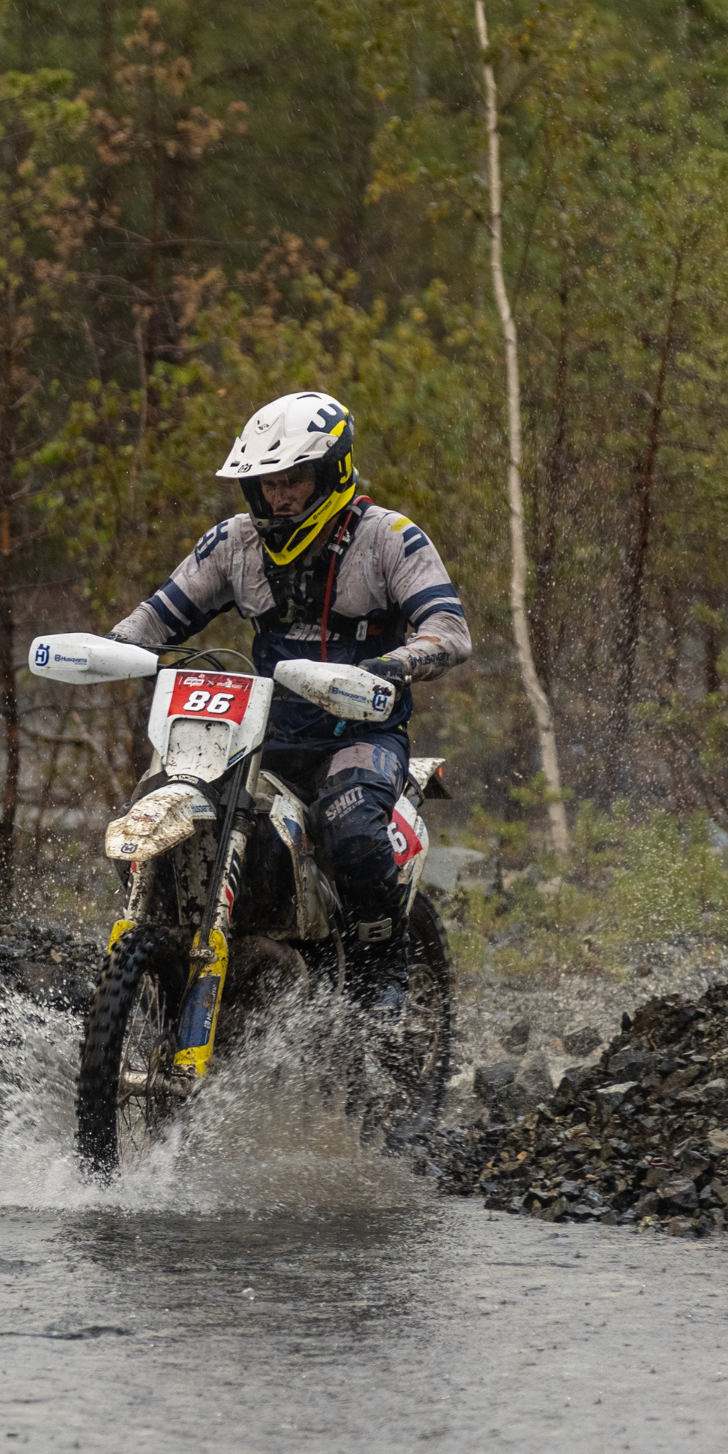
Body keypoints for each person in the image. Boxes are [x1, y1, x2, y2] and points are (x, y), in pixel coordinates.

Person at [105, 391, 470, 1003]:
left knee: (352, 826)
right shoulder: (234, 544)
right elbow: (153, 620)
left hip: (358, 733)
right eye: (269, 482)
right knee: (154, 807)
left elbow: (449, 631)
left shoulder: (390, 539)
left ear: (331, 471)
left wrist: (393, 664)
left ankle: (381, 978)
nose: (279, 495)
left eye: (293, 479)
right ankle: (162, 960)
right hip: (260, 736)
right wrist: (108, 650)